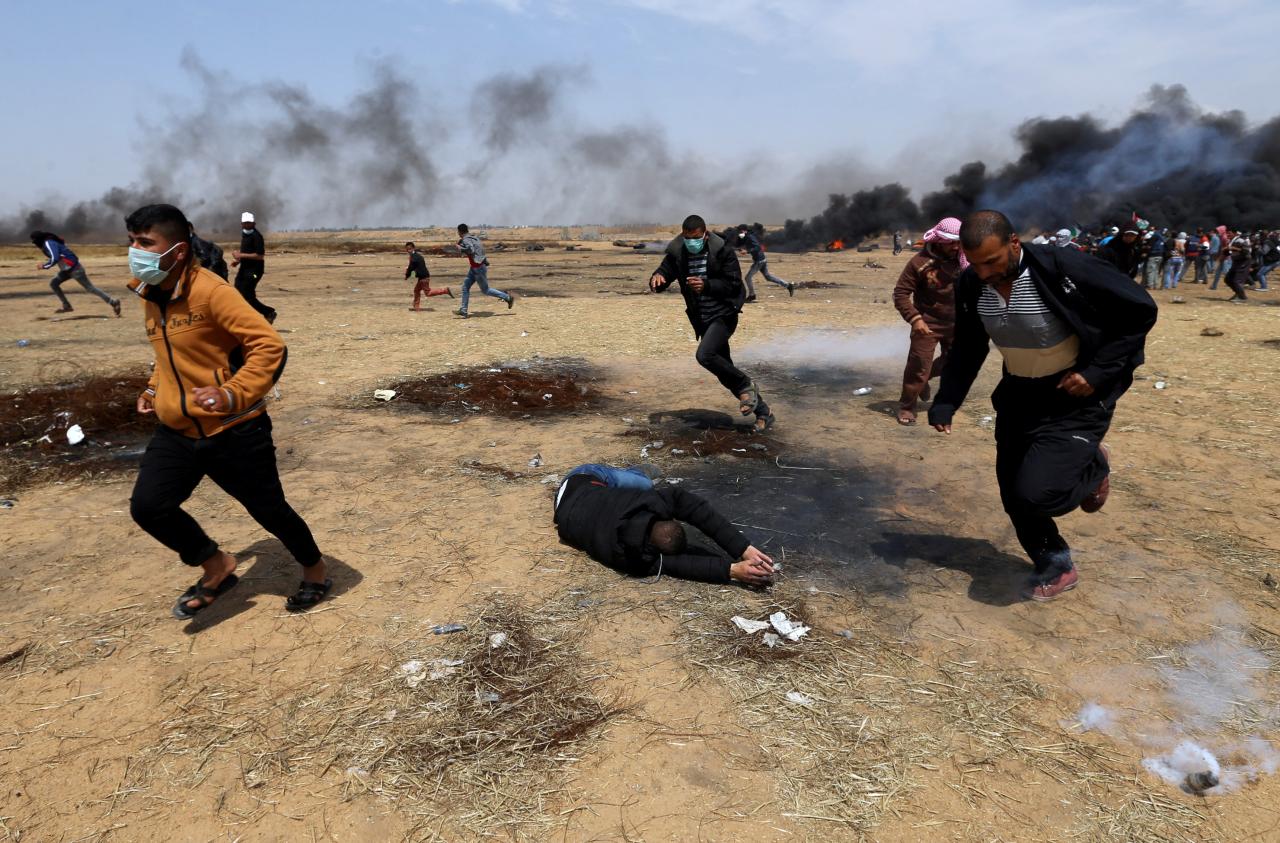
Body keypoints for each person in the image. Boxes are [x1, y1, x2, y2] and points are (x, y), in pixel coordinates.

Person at [930, 210, 1157, 602]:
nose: (984, 273)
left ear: (1014, 243)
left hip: (1075, 396)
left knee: (1037, 494)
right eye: (976, 264)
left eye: (992, 262)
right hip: (1020, 395)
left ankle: (1094, 464)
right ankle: (1056, 563)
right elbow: (968, 347)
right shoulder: (971, 283)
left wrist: (1098, 371)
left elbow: (1139, 309)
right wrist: (947, 401)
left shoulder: (1062, 266)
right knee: (1013, 494)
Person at [123, 203, 330, 618]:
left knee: (270, 510)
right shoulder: (151, 293)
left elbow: (269, 346)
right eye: (132, 242)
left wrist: (232, 393)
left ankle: (315, 570)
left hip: (234, 430)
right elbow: (171, 357)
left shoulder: (212, 291)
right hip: (177, 431)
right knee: (149, 506)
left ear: (177, 250)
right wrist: (153, 387)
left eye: (145, 243)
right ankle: (217, 565)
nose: (135, 251)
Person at [649, 214, 775, 431]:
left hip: (724, 315)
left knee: (704, 355)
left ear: (705, 235)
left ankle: (747, 385)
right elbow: (665, 271)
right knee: (724, 371)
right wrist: (657, 279)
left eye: (696, 238)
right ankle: (764, 412)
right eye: (688, 238)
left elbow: (733, 284)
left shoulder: (722, 250)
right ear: (683, 235)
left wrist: (706, 286)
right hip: (703, 319)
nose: (692, 242)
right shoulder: (678, 251)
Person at [553, 463, 775, 584]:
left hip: (579, 485)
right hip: (577, 488)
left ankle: (635, 474)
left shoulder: (642, 506)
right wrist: (734, 568)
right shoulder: (629, 557)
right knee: (645, 482)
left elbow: (692, 507)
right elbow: (676, 566)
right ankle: (638, 471)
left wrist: (742, 552)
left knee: (642, 486)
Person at [892, 216, 963, 426]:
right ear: (940, 240)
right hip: (927, 324)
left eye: (959, 242)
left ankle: (924, 381)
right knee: (917, 367)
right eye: (952, 242)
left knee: (955, 362)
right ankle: (907, 407)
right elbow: (901, 293)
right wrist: (915, 319)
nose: (956, 246)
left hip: (958, 323)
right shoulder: (919, 263)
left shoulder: (965, 259)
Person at [30, 230, 121, 316]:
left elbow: (55, 257)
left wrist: (44, 266)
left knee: (90, 288)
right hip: (67, 270)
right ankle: (67, 306)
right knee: (54, 283)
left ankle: (113, 302)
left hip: (75, 269)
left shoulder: (48, 243)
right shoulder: (49, 243)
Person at [455, 223, 514, 318]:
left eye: (458, 231)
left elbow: (471, 250)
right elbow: (480, 250)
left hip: (478, 268)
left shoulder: (466, 240)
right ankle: (463, 310)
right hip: (475, 267)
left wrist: (460, 248)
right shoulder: (474, 238)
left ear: (459, 232)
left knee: (486, 290)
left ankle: (507, 297)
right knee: (465, 287)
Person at [231, 211, 275, 323]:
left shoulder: (256, 236)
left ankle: (266, 313)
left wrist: (240, 255)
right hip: (244, 269)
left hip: (254, 271)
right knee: (238, 291)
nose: (247, 225)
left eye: (249, 223)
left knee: (247, 294)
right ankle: (261, 314)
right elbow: (248, 252)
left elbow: (259, 256)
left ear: (254, 223)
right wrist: (238, 260)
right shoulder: (245, 235)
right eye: (245, 223)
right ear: (241, 224)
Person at [736, 224, 795, 301]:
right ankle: (788, 285)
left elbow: (757, 247)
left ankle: (752, 295)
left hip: (759, 261)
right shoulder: (748, 236)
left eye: (740, 231)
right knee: (768, 277)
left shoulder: (750, 237)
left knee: (747, 278)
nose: (739, 233)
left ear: (744, 230)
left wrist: (747, 251)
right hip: (762, 259)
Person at [404, 241, 452, 310]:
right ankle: (416, 307)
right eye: (407, 249)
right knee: (416, 290)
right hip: (422, 277)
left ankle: (445, 290)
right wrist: (410, 273)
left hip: (424, 278)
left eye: (410, 249)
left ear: (413, 248)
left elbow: (411, 268)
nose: (409, 251)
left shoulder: (414, 258)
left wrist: (407, 275)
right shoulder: (417, 256)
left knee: (428, 293)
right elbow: (415, 268)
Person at [1224, 233, 1251, 302]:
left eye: (1229, 233)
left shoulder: (1240, 241)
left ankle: (1242, 297)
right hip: (1236, 262)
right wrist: (1225, 250)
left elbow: (1247, 251)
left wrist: (1234, 248)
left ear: (1234, 233)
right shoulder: (1231, 241)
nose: (1228, 235)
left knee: (1237, 281)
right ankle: (1238, 293)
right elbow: (1230, 253)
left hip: (1243, 262)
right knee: (1228, 279)